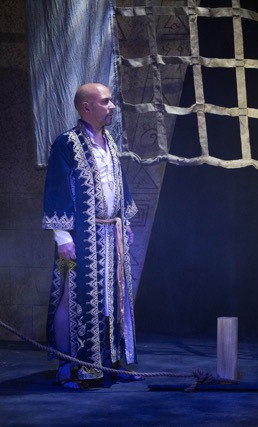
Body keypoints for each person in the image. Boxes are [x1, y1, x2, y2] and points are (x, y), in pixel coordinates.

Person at [42, 83, 139, 389]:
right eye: (106, 102)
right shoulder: (66, 143)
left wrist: (124, 222)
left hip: (110, 236)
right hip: (77, 238)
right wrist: (62, 238)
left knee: (111, 297)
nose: (112, 107)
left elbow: (119, 185)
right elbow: (56, 190)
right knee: (69, 296)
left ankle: (108, 362)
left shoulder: (109, 141)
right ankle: (67, 366)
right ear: (87, 107)